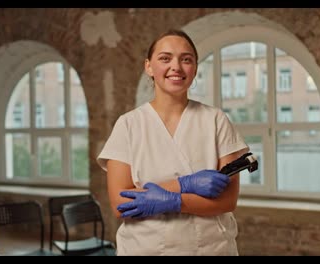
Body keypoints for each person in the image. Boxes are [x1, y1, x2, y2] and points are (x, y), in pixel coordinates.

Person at [97, 29, 249, 256]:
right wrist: (183, 185)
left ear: (195, 68)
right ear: (149, 66)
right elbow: (121, 203)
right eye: (165, 58)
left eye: (186, 59)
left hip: (211, 249)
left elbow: (227, 201)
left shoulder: (216, 120)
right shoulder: (128, 125)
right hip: (144, 249)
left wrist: (175, 202)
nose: (176, 67)